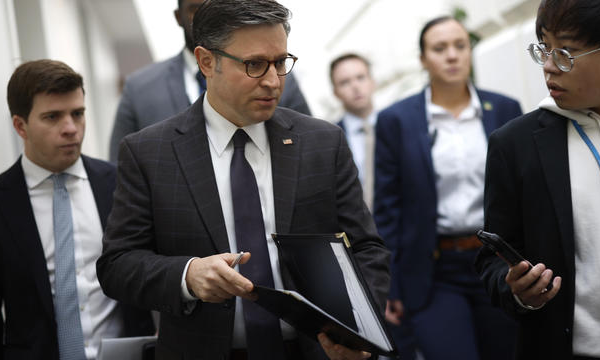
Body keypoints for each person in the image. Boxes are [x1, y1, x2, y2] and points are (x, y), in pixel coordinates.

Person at [96, 0, 391, 359]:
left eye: (280, 63)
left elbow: (365, 249)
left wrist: (358, 333)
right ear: (207, 61)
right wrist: (187, 275)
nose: (272, 81)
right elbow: (117, 265)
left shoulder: (322, 143)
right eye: (254, 65)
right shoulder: (149, 153)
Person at [0, 60, 154, 359]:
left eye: (77, 114)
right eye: (52, 117)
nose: (70, 129)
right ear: (20, 125)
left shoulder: (122, 184)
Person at [374, 16, 522, 360]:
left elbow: (524, 192)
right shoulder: (396, 120)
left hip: (499, 262)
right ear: (423, 59)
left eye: (460, 46)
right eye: (439, 49)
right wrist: (389, 284)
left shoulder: (503, 108)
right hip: (433, 269)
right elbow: (387, 208)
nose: (452, 56)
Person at [475, 0, 600, 359]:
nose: (549, 66)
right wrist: (516, 289)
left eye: (565, 52)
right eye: (544, 49)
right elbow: (492, 259)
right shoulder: (516, 144)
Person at [108, 0, 312, 162]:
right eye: (196, 9)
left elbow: (308, 145)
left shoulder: (278, 75)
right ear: (178, 17)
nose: (272, 81)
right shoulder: (141, 88)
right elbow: (121, 169)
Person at [331, 54, 377, 208]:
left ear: (372, 81)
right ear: (335, 92)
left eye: (361, 77)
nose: (355, 87)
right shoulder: (330, 139)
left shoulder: (395, 125)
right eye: (345, 82)